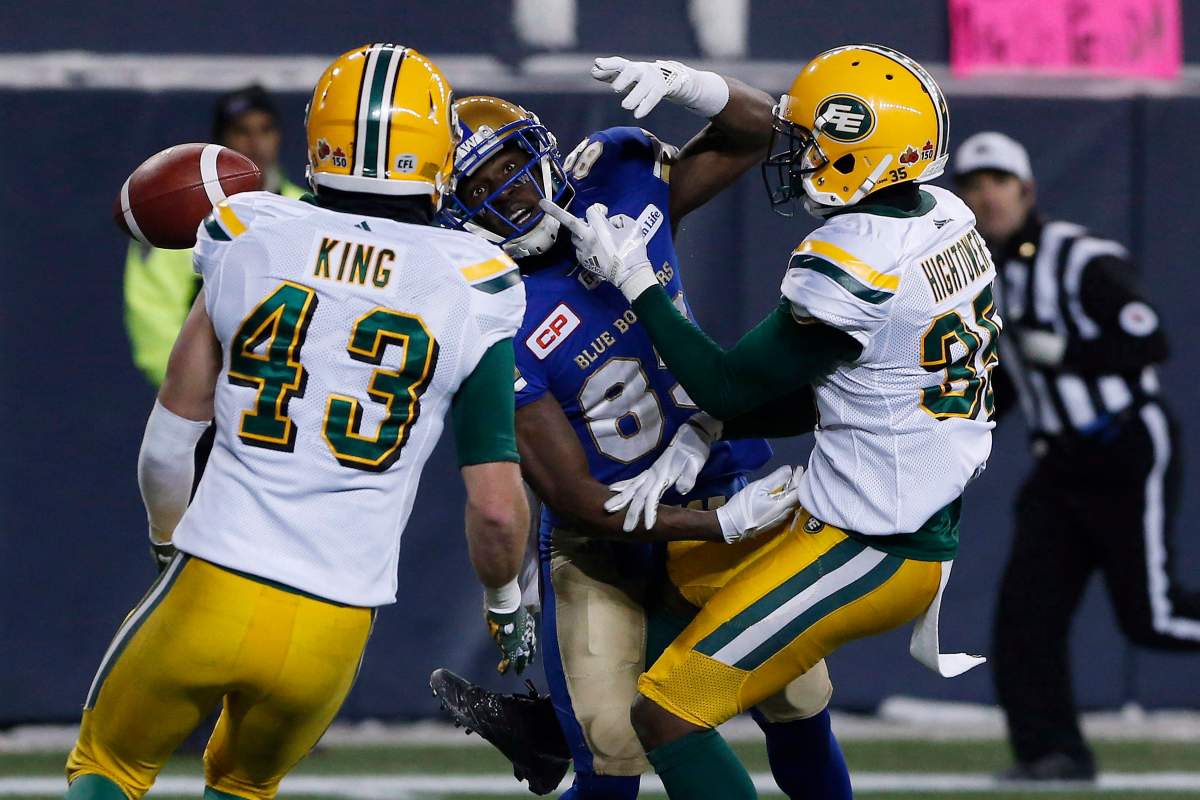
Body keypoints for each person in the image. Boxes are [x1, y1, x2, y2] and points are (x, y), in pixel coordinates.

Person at [66, 44, 537, 800]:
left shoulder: (248, 230)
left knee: (107, 769)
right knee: (242, 787)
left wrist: (166, 545)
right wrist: (505, 602)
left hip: (214, 579)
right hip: (336, 621)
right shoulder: (477, 281)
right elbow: (495, 507)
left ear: (320, 138)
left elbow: (166, 450)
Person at [541, 43, 995, 799]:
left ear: (861, 154)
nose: (800, 154)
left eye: (815, 141)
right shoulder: (944, 218)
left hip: (872, 543)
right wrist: (711, 430)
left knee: (665, 717)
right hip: (902, 508)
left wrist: (636, 283)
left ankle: (552, 728)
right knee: (675, 593)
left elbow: (725, 385)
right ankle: (547, 723)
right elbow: (847, 388)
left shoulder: (854, 259)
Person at [432, 56, 851, 800]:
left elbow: (760, 129)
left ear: (543, 151)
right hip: (607, 546)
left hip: (715, 475)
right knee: (611, 750)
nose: (510, 191)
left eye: (513, 166)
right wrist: (719, 525)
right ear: (456, 211)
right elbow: (578, 498)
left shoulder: (616, 185)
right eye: (480, 186)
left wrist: (693, 85)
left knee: (799, 698)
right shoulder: (489, 307)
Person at [952, 131, 1200, 781]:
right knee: (1025, 618)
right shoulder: (978, 274)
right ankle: (1052, 753)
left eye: (998, 182)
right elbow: (1010, 382)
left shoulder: (1080, 257)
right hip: (1059, 464)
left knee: (1154, 619)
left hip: (1123, 446)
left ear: (1026, 190)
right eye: (973, 186)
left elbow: (1150, 342)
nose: (986, 196)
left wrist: (1066, 353)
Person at [124, 84, 305, 387]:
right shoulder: (179, 219)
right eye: (242, 131)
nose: (256, 143)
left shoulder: (309, 212)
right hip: (205, 400)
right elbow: (153, 317)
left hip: (287, 401)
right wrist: (197, 391)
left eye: (265, 129)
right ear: (220, 143)